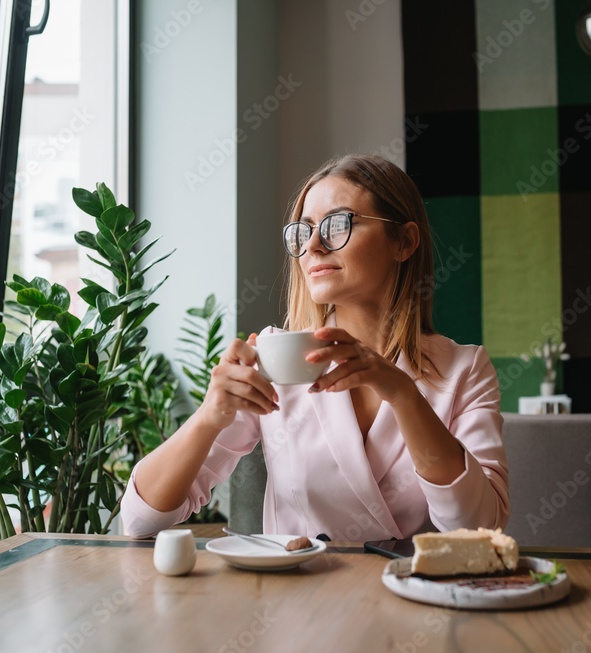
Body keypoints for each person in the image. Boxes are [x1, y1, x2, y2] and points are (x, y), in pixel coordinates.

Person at [121, 154, 508, 541]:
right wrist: (209, 416)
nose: (314, 246)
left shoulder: (464, 369)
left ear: (404, 241)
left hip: (409, 594)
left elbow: (480, 527)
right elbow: (140, 520)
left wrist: (403, 394)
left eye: (338, 224)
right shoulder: (276, 358)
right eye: (303, 232)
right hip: (296, 595)